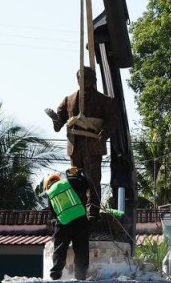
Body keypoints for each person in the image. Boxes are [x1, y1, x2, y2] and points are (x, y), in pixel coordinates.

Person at [45, 66, 120, 217]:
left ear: (93, 80)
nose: (83, 81)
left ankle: (93, 211)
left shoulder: (104, 100)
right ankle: (79, 210)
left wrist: (105, 131)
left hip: (93, 146)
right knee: (75, 179)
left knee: (93, 180)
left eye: (86, 78)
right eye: (80, 78)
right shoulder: (69, 100)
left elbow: (113, 120)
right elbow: (59, 124)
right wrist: (55, 119)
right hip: (75, 146)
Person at [44, 168, 90, 280]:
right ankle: (80, 275)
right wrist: (80, 175)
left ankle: (55, 273)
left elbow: (53, 212)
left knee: (60, 247)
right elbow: (86, 184)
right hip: (80, 217)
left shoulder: (50, 193)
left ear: (48, 185)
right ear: (58, 179)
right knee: (81, 247)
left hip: (63, 222)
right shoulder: (68, 182)